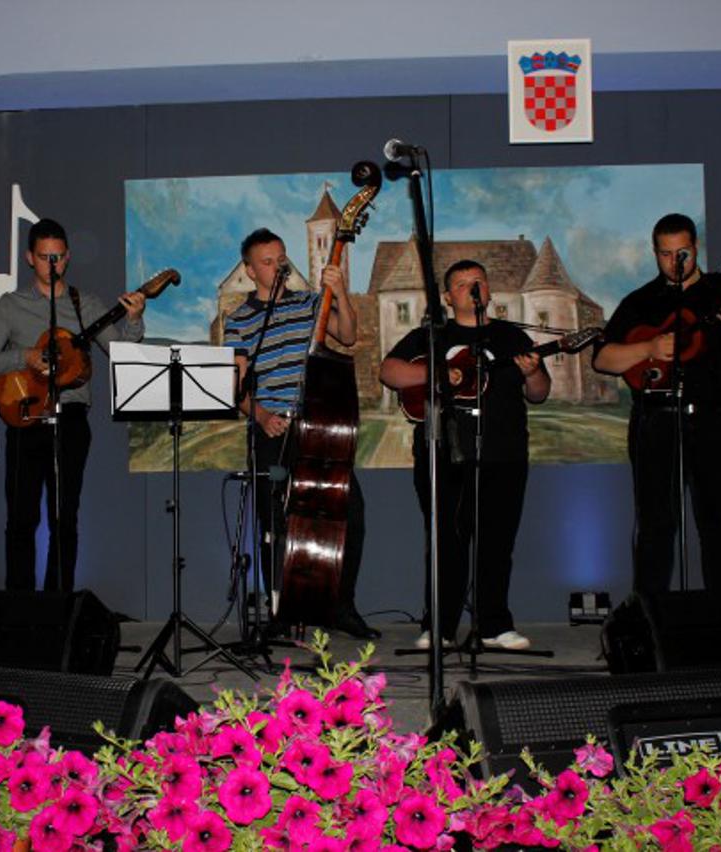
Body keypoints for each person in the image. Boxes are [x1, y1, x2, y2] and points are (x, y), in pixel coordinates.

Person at [592, 213, 721, 595]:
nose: (675, 262)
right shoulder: (640, 302)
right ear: (655, 253)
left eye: (682, 253)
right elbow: (602, 359)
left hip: (717, 422)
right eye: (666, 254)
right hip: (657, 424)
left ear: (696, 247)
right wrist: (649, 347)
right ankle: (652, 616)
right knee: (655, 526)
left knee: (719, 526)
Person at [379, 259, 550, 650]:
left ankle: (494, 625)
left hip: (504, 452)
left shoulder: (512, 337)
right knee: (446, 542)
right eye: (462, 284)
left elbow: (539, 393)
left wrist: (532, 373)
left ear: (488, 291)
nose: (473, 288)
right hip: (444, 452)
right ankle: (440, 626)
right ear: (447, 296)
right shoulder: (431, 336)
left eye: (479, 282)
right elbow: (389, 371)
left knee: (497, 543)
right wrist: (437, 374)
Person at [223, 228, 379, 640]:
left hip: (317, 427)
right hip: (271, 430)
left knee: (348, 513)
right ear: (250, 270)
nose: (278, 267)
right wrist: (260, 415)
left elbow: (347, 335)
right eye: (267, 262)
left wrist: (339, 292)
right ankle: (281, 613)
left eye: (281, 259)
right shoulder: (238, 320)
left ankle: (342, 606)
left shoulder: (310, 304)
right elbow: (235, 385)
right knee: (274, 522)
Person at [0, 219, 146, 592]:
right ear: (29, 258)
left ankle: (58, 607)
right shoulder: (11, 305)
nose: (51, 264)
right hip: (25, 417)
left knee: (63, 518)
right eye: (44, 257)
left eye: (58, 257)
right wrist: (25, 356)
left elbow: (121, 353)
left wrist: (134, 321)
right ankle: (19, 605)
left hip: (69, 418)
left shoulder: (86, 304)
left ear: (67, 257)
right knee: (21, 519)